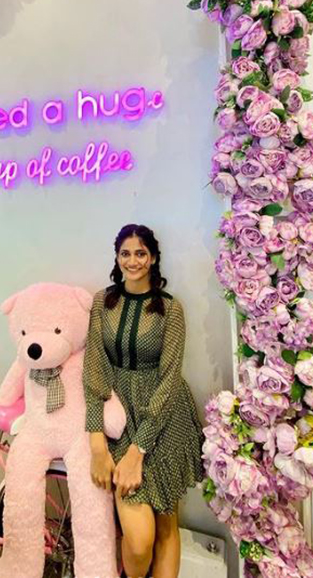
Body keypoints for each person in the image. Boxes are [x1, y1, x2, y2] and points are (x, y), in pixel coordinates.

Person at [83, 224, 204, 578]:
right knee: (138, 544)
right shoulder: (102, 302)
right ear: (117, 257)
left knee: (167, 524)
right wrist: (96, 443)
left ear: (152, 258)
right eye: (126, 253)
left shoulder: (170, 308)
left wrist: (139, 451)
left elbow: (170, 379)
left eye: (140, 253)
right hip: (121, 414)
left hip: (166, 417)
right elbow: (94, 368)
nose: (133, 261)